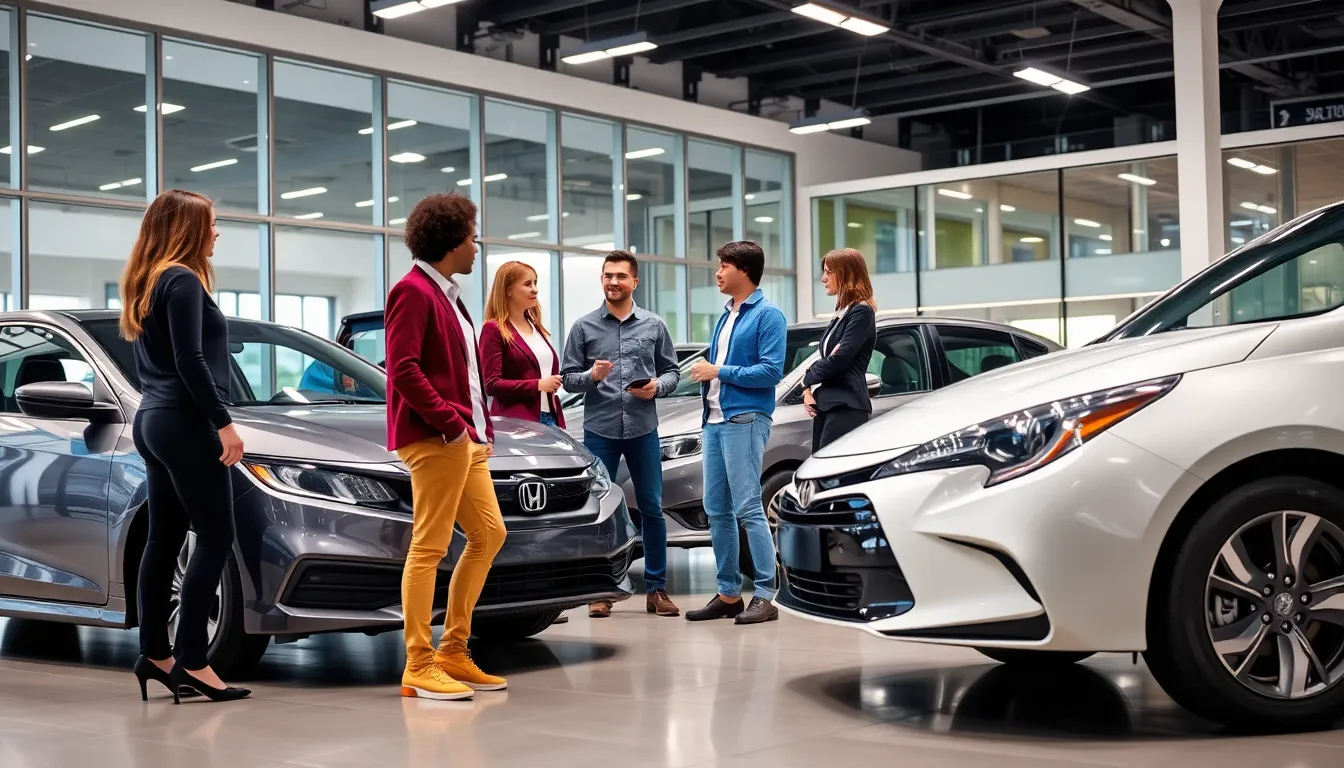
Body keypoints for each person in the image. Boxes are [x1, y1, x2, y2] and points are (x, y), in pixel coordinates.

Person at [119, 189, 250, 703]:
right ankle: (194, 661)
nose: (217, 231)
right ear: (188, 228)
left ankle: (155, 653)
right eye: (212, 223)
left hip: (153, 419)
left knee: (165, 538)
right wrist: (224, 423)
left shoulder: (150, 281)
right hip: (187, 421)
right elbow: (191, 360)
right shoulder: (185, 279)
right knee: (215, 538)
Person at [385, 192, 507, 702]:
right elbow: (404, 368)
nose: (477, 246)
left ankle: (453, 651)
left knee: (489, 534)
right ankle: (418, 662)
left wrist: (479, 430)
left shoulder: (448, 294)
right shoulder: (412, 291)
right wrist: (452, 422)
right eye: (473, 236)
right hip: (436, 438)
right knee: (429, 546)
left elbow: (468, 374)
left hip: (463, 440)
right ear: (451, 239)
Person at [560, 250, 680, 619]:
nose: (613, 281)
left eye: (620, 276)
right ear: (602, 280)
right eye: (607, 275)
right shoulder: (583, 327)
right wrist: (591, 378)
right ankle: (602, 590)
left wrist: (657, 387)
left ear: (634, 282)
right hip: (600, 430)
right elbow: (567, 378)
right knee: (601, 512)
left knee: (652, 510)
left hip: (643, 429)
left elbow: (673, 373)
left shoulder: (655, 325)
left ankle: (657, 589)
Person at [686, 241, 787, 625]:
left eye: (723, 265)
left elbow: (770, 371)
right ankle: (729, 594)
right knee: (716, 510)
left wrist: (719, 372)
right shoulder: (726, 315)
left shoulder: (769, 315)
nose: (717, 272)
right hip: (713, 421)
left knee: (748, 507)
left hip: (744, 419)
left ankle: (765, 594)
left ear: (743, 270)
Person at [802, 248, 877, 451]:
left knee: (834, 477)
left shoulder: (862, 311)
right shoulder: (842, 314)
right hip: (827, 406)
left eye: (829, 272)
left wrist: (808, 377)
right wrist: (807, 388)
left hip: (846, 407)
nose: (823, 278)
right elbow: (826, 359)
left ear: (847, 273)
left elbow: (839, 359)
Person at [479, 261, 566, 429]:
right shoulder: (493, 329)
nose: (535, 289)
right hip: (517, 423)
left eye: (535, 283)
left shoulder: (535, 326)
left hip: (550, 418)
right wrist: (538, 385)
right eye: (528, 284)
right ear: (508, 290)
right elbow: (491, 384)